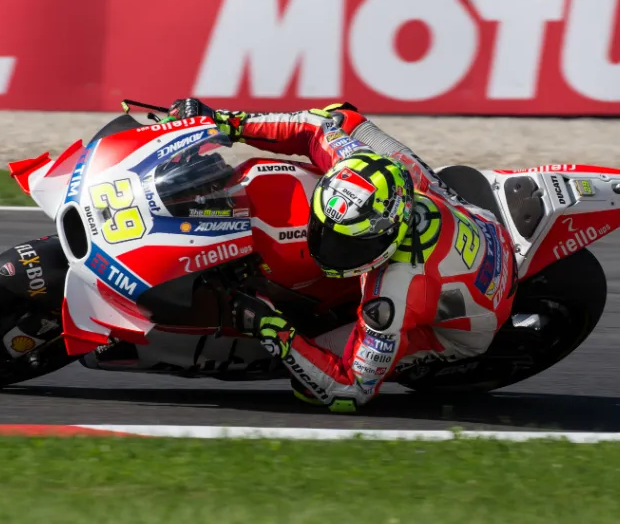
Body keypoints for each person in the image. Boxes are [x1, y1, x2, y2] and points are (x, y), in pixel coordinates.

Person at [168, 98, 519, 413]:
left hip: (462, 327)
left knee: (306, 382)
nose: (328, 249)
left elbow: (350, 389)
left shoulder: (395, 294)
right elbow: (316, 126)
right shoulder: (368, 167)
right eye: (325, 232)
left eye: (347, 245)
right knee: (341, 118)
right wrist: (223, 122)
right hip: (464, 216)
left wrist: (272, 329)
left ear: (386, 238)